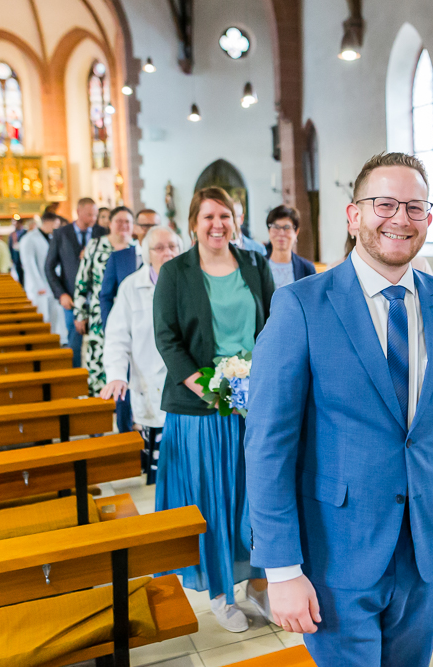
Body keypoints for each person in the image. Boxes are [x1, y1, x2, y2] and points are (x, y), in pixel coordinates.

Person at [244, 152, 433, 666]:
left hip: (424, 547)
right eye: (383, 204)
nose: (399, 218)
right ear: (353, 214)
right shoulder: (302, 306)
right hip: (338, 552)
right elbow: (268, 444)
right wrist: (280, 569)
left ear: (428, 219)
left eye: (414, 207)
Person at [153, 187, 276, 633]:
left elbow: (274, 325)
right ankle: (223, 593)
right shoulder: (175, 272)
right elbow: (167, 338)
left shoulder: (255, 265)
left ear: (235, 221)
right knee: (215, 501)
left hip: (255, 403)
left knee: (259, 497)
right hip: (200, 409)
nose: (217, 224)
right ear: (193, 223)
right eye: (208, 216)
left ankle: (259, 585)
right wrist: (207, 387)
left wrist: (260, 382)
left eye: (224, 215)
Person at [101, 225, 182, 484]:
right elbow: (116, 337)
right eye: (159, 248)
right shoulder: (130, 287)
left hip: (185, 381)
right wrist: (116, 375)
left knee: (184, 458)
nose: (167, 253)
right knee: (159, 465)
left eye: (172, 246)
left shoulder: (192, 282)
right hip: (149, 380)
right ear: (147, 254)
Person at [73, 206, 135, 396]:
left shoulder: (136, 249)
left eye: (127, 222)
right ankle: (100, 405)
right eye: (119, 221)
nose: (123, 225)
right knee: (98, 359)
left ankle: (123, 404)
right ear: (110, 224)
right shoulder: (95, 245)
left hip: (131, 314)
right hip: (99, 313)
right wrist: (79, 313)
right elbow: (82, 281)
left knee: (128, 359)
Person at [44, 197, 105, 367]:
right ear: (78, 212)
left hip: (97, 297)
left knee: (99, 341)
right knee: (74, 341)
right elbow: (49, 267)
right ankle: (77, 381)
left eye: (95, 215)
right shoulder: (61, 234)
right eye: (88, 215)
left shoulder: (102, 232)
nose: (92, 219)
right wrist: (61, 294)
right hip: (71, 296)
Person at [19, 211, 67, 340]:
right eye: (56, 224)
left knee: (54, 316)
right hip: (38, 286)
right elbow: (28, 264)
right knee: (42, 318)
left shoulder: (51, 238)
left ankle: (55, 340)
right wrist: (38, 285)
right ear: (48, 222)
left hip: (51, 284)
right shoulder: (29, 239)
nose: (57, 227)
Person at [265, 205, 316, 289]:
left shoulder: (307, 269)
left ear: (296, 232)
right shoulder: (257, 267)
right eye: (276, 227)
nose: (281, 233)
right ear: (269, 231)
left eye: (287, 227)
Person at [9, 218, 27, 283]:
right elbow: (10, 246)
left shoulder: (26, 232)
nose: (14, 225)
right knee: (19, 273)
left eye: (16, 223)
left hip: (24, 256)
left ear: (20, 223)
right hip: (16, 257)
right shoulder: (12, 234)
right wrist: (12, 257)